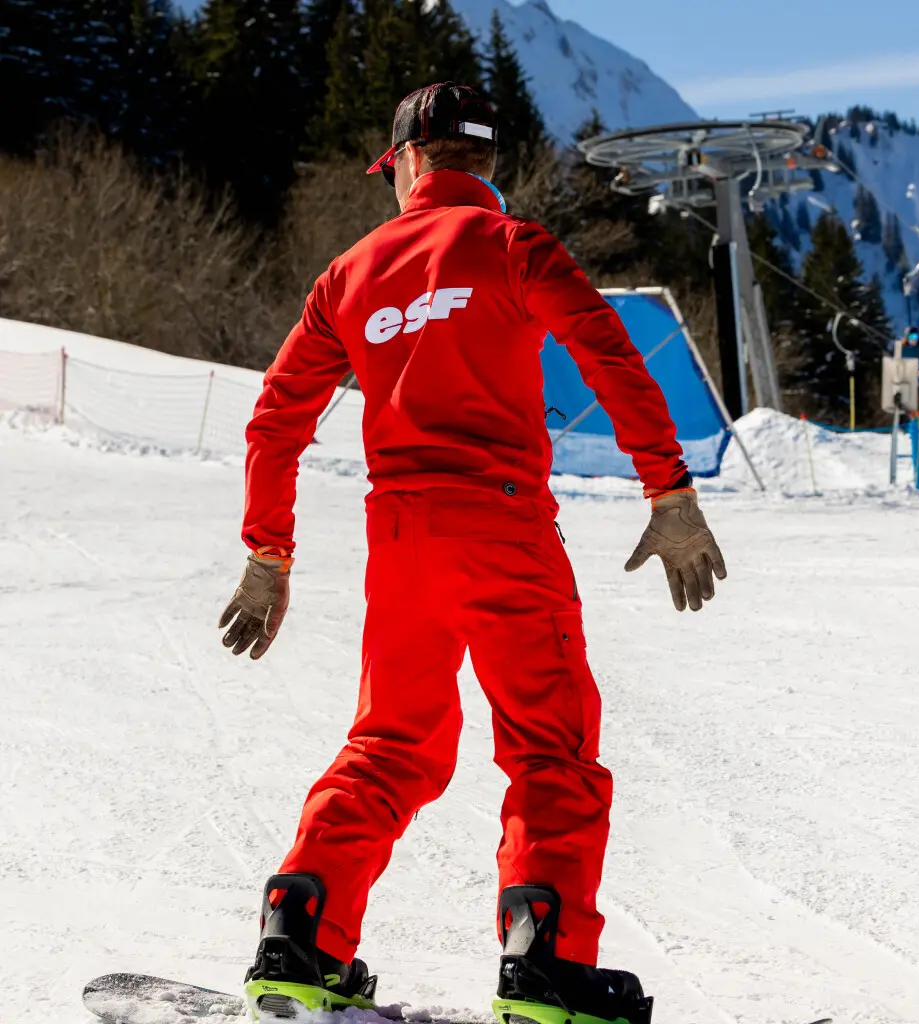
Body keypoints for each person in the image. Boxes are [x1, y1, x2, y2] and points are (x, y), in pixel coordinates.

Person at [219, 82, 727, 1024]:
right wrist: (669, 489)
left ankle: (298, 934)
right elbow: (615, 358)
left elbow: (276, 420)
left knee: (387, 742)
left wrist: (269, 554)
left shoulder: (348, 273)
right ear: (484, 164)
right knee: (550, 751)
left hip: (402, 537)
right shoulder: (514, 247)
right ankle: (545, 966)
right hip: (503, 531)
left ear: (410, 160)